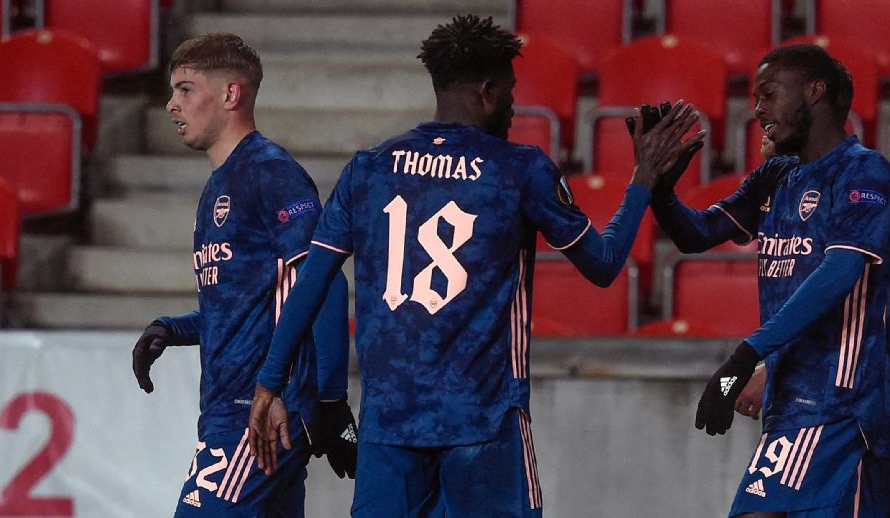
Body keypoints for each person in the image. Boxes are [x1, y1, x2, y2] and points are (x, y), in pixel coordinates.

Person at [244, 15, 704, 517]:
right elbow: (604, 263)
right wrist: (642, 180)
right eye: (509, 90)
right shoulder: (519, 169)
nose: (513, 104)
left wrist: (269, 383)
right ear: (487, 90)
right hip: (483, 425)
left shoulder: (369, 168)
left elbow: (311, 282)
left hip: (390, 427)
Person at [649, 44, 890, 517]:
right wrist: (658, 189)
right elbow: (695, 235)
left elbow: (838, 272)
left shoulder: (864, 171)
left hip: (847, 409)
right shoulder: (777, 176)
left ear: (816, 92)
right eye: (755, 99)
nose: (757, 110)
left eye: (770, 95)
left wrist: (745, 355)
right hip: (795, 408)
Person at [129, 33, 357, 516]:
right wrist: (175, 328)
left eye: (186, 89)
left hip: (257, 415)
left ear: (231, 94)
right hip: (230, 411)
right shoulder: (220, 182)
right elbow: (251, 301)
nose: (171, 105)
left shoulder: (271, 173)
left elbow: (325, 281)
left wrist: (330, 402)